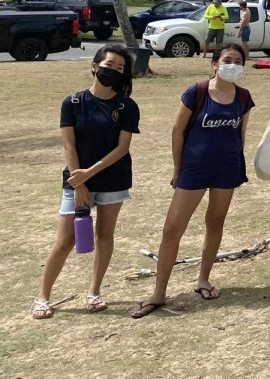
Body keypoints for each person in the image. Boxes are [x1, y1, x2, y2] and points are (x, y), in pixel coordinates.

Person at [131, 45, 254, 318]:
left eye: (237, 61)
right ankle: (159, 292)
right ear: (214, 64)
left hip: (227, 170)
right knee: (173, 228)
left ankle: (203, 280)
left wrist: (238, 164)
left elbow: (241, 133)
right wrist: (178, 168)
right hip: (194, 170)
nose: (232, 65)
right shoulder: (196, 92)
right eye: (226, 60)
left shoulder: (244, 97)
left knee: (215, 222)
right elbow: (177, 131)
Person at [32, 45, 139, 319]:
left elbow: (121, 148)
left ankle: (95, 291)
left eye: (119, 68)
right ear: (94, 66)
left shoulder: (126, 106)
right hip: (77, 179)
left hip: (113, 179)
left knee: (104, 235)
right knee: (65, 240)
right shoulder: (73, 102)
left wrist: (88, 174)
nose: (112, 71)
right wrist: (79, 182)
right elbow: (69, 146)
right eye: (108, 65)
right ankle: (43, 296)